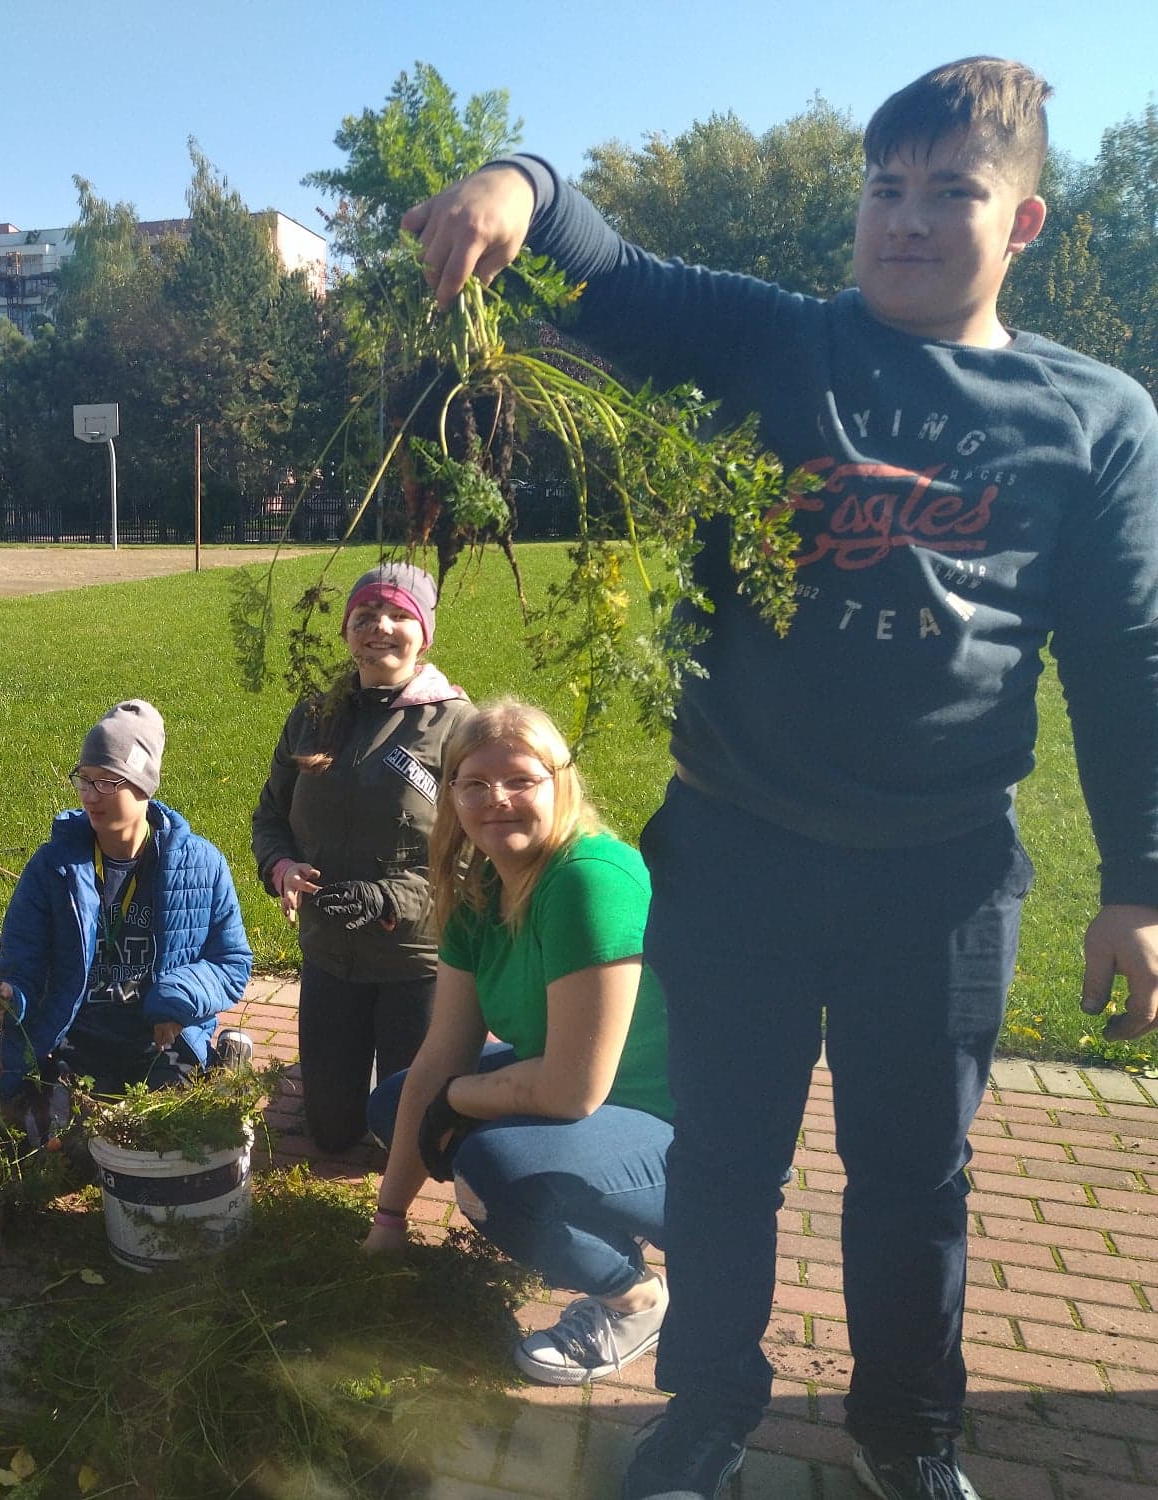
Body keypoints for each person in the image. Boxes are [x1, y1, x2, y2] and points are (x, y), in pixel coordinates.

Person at [405, 59, 1158, 1500]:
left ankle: (905, 1433)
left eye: (951, 191)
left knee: (913, 1180)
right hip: (736, 852)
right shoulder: (776, 344)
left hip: (940, 877)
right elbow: (606, 268)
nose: (907, 218)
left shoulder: (1097, 417)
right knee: (724, 1163)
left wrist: (1138, 883)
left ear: (1024, 222)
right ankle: (707, 1409)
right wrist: (515, 184)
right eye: (885, 186)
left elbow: (1126, 660)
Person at [362, 700, 672, 1387]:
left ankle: (634, 1300)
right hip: (595, 1098)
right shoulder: (481, 888)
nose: (496, 799)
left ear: (560, 782)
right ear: (451, 795)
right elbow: (442, 1053)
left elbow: (570, 1091)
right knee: (395, 1105)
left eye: (520, 780)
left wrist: (460, 1100)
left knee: (496, 1169)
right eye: (474, 783)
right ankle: (578, 1219)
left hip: (684, 1128)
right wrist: (389, 1220)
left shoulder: (589, 881)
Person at [252, 562, 472, 1151]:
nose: (381, 627)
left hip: (416, 959)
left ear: (424, 634)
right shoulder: (313, 717)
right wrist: (281, 868)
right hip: (329, 953)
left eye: (400, 615)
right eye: (366, 614)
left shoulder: (457, 726)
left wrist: (389, 898)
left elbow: (476, 855)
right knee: (330, 1134)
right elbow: (270, 817)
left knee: (405, 1137)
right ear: (347, 630)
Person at [0, 700, 253, 1122]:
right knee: (49, 1136)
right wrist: (9, 996)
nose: (90, 796)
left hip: (159, 1040)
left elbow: (231, 962)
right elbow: (22, 962)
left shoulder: (200, 864)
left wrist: (176, 1000)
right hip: (73, 1036)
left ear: (142, 786)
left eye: (107, 782)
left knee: (170, 1132)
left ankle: (228, 1063)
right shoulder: (54, 867)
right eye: (84, 780)